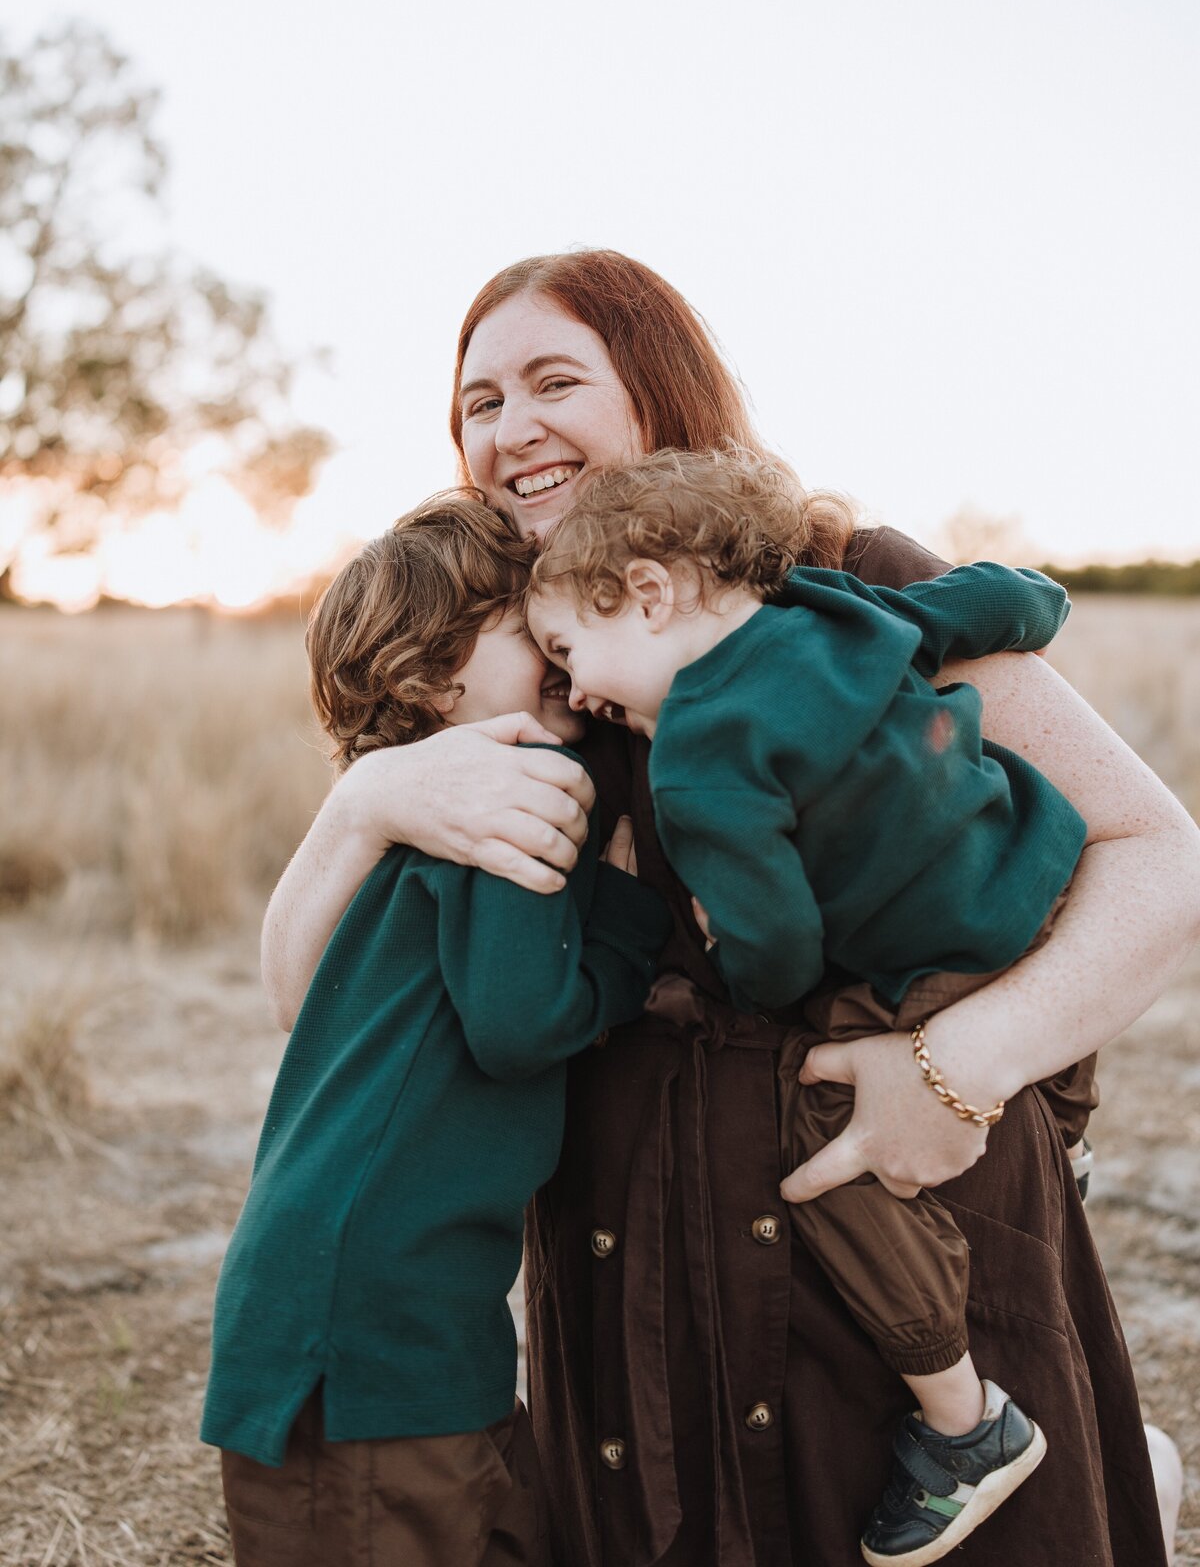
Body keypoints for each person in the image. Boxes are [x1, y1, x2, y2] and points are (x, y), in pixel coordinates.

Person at [261, 250, 1200, 1566]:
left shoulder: (834, 576)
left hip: (887, 1220)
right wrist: (368, 805)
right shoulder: (508, 665)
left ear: (655, 387)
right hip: (626, 1264)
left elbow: (1159, 852)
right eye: (479, 402)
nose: (510, 426)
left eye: (553, 381)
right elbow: (315, 1013)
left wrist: (961, 1064)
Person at [525, 446, 1099, 1564]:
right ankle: (1066, 1138)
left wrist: (735, 982)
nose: (576, 689)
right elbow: (986, 602)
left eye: (568, 649)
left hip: (934, 966)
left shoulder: (696, 755)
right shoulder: (835, 609)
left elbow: (779, 943)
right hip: (1038, 875)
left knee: (830, 1145)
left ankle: (964, 1424)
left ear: (645, 595)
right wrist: (1044, 597)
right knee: (1023, 1035)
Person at [203, 491, 670, 1567]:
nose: (561, 651)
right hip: (371, 1324)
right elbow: (519, 1023)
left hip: (365, 1295)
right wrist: (632, 928)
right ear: (434, 679)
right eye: (526, 628)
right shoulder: (508, 791)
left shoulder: (415, 827)